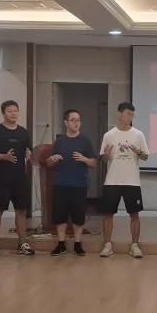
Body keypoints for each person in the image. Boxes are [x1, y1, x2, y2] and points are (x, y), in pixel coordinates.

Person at [0, 100, 33, 258]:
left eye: (15, 111)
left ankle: (22, 244)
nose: (13, 113)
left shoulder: (23, 132)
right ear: (3, 113)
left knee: (21, 211)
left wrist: (28, 153)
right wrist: (3, 157)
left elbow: (27, 149)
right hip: (2, 179)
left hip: (20, 179)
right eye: (10, 111)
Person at [99, 102, 149, 258]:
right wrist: (106, 153)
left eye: (132, 115)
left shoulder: (138, 134)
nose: (130, 117)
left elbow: (145, 156)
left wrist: (138, 151)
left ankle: (134, 245)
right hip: (112, 181)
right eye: (128, 114)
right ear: (119, 114)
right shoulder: (109, 135)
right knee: (108, 214)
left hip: (132, 181)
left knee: (134, 215)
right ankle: (108, 245)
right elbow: (104, 159)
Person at [46, 109, 97, 256]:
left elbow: (93, 163)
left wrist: (84, 159)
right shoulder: (59, 141)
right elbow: (49, 163)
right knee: (60, 216)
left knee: (78, 216)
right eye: (73, 120)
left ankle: (77, 244)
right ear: (66, 123)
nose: (76, 123)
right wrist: (51, 160)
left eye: (78, 120)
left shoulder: (85, 141)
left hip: (79, 184)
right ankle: (61, 244)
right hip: (61, 184)